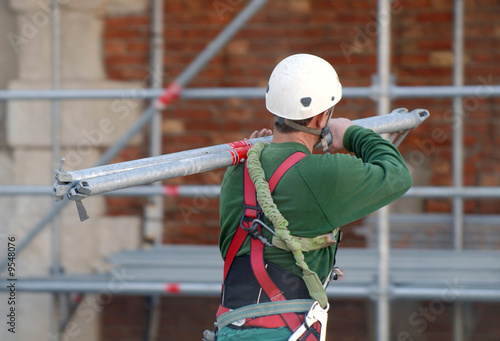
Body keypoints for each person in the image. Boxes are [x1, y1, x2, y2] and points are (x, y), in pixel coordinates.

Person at [213, 54, 413, 341]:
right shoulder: (322, 174)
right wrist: (353, 134)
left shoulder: (239, 171)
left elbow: (232, 248)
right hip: (284, 331)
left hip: (230, 327)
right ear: (321, 117)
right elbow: (397, 175)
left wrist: (260, 155)